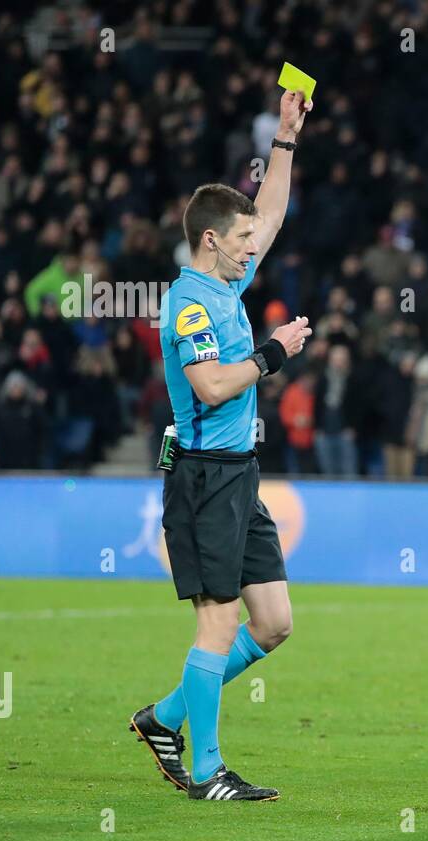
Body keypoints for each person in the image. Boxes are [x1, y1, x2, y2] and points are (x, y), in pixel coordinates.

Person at [129, 90, 314, 802]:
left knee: (272, 623)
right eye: (241, 242)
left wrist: (287, 140)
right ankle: (206, 771)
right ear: (211, 241)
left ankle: (165, 717)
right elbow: (208, 387)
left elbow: (268, 213)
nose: (253, 248)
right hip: (201, 474)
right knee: (219, 620)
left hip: (240, 473)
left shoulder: (227, 284)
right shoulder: (192, 302)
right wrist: (274, 351)